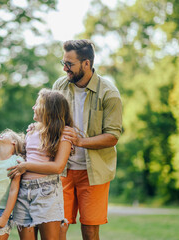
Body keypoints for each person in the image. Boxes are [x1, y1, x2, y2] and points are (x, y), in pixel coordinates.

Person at [53, 39, 123, 240]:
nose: (65, 68)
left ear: (86, 63)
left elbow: (112, 137)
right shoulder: (59, 86)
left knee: (90, 230)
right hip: (62, 168)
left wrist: (80, 141)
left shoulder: (109, 94)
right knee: (57, 226)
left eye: (70, 64)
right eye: (63, 63)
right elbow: (50, 121)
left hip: (94, 171)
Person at [7, 88, 74, 240]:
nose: (33, 107)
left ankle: (61, 232)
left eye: (37, 104)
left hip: (46, 191)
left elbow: (58, 167)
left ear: (48, 110)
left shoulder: (63, 134)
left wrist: (26, 166)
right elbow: (28, 156)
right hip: (23, 192)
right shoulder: (32, 131)